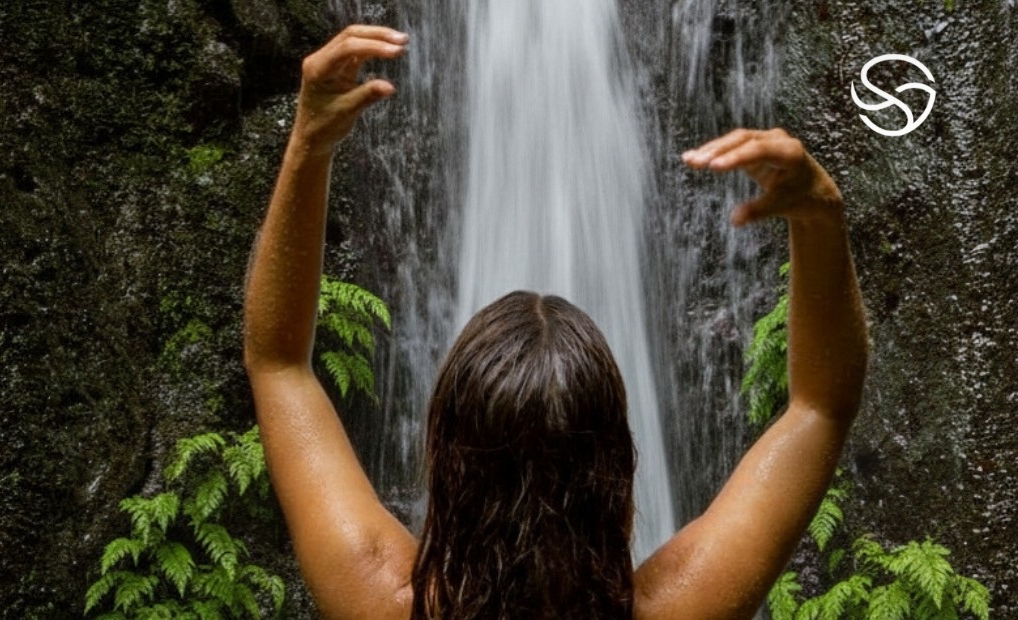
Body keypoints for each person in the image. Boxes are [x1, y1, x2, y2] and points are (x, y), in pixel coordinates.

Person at [242, 25, 868, 620]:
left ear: (444, 457)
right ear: (619, 466)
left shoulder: (376, 599)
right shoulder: (683, 604)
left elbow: (278, 363)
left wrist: (308, 144)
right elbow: (821, 404)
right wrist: (819, 214)